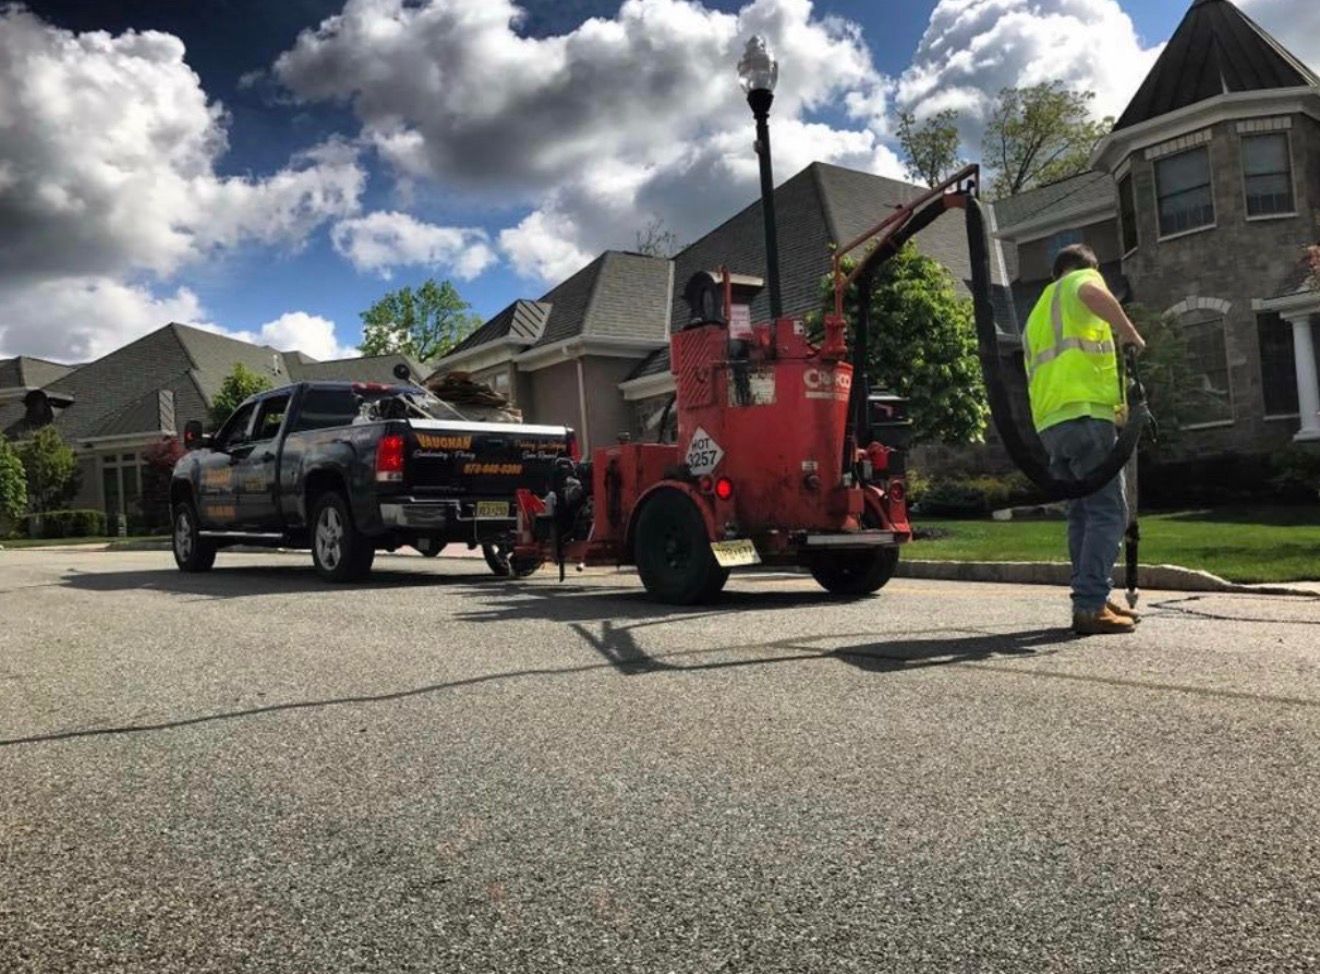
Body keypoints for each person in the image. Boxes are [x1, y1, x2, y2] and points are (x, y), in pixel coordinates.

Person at [1024, 244, 1146, 635]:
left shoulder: (1037, 311)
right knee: (1109, 511)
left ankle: (1090, 595)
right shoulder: (1082, 280)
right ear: (1084, 267)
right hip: (1084, 415)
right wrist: (1128, 333)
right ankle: (1090, 605)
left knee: (1081, 514)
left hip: (1052, 426)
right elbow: (1094, 294)